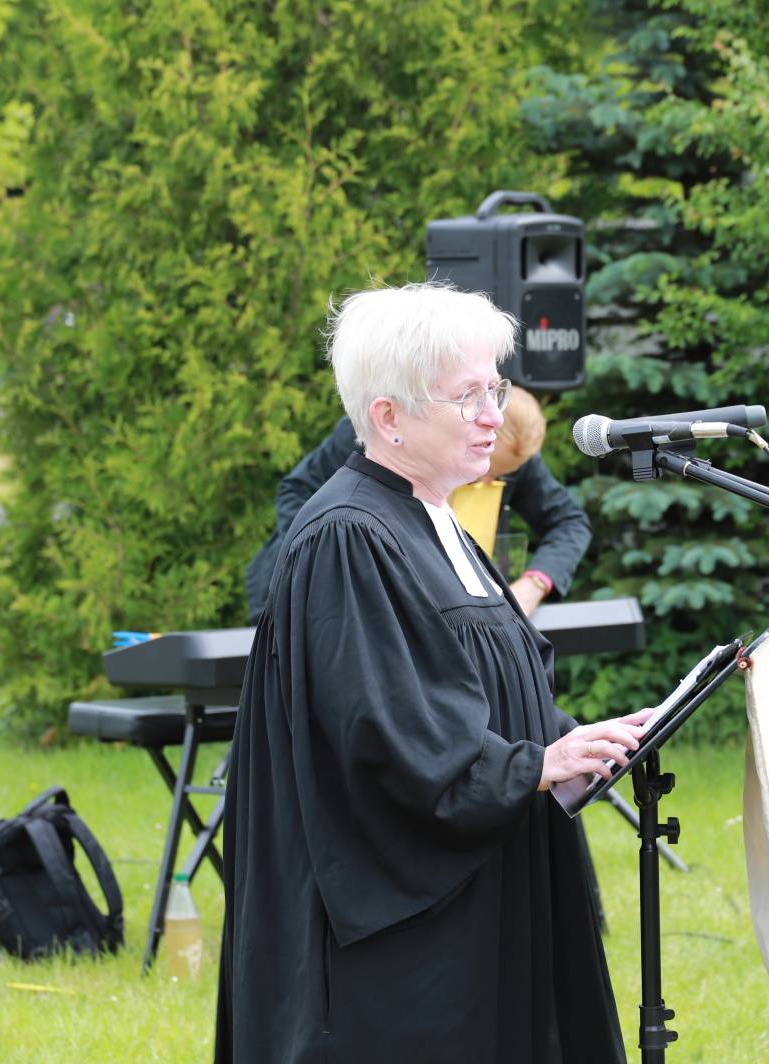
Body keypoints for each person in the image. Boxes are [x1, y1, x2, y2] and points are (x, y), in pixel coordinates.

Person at [215, 282, 645, 1063]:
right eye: (468, 395)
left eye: (496, 387)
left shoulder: (436, 518)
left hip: (485, 903)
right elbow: (385, 731)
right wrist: (531, 766)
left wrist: (577, 746)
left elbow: (490, 683)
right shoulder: (349, 536)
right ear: (390, 417)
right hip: (396, 953)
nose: (494, 414)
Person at [245, 384, 590, 620]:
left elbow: (569, 522)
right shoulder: (366, 435)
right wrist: (336, 567)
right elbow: (297, 492)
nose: (485, 478)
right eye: (483, 468)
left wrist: (532, 586)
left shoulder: (513, 458)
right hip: (314, 599)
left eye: (496, 475)